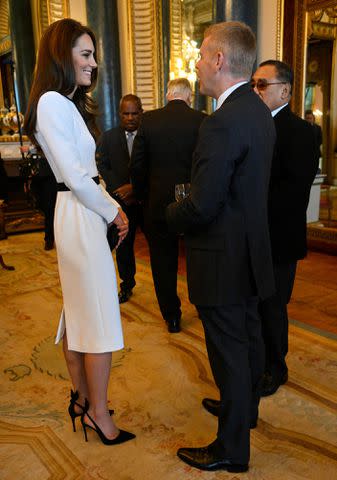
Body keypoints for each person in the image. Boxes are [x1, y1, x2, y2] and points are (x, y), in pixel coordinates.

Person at [166, 22, 276, 472]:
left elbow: (203, 205)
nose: (195, 64)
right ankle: (243, 411)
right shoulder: (258, 110)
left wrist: (169, 214)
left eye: (201, 54)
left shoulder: (222, 122)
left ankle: (231, 449)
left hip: (223, 259)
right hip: (251, 252)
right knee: (247, 342)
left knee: (229, 354)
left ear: (218, 60)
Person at [24, 18, 135, 445]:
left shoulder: (61, 103)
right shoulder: (53, 102)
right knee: (98, 318)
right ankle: (98, 413)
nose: (93, 63)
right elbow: (74, 173)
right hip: (78, 210)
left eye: (93, 55)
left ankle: (84, 401)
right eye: (85, 55)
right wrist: (114, 212)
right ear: (61, 57)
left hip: (79, 211)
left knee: (80, 313)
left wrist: (107, 208)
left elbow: (79, 174)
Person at [251, 60, 318, 396]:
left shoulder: (303, 132)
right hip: (250, 236)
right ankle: (260, 361)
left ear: (286, 91)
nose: (255, 90)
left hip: (279, 236)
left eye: (263, 84)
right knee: (254, 305)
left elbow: (293, 193)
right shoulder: (251, 125)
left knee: (273, 306)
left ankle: (276, 368)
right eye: (254, 84)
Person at [131, 78, 206, 333]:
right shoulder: (202, 120)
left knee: (163, 260)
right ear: (190, 96)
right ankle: (204, 307)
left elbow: (138, 165)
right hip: (194, 202)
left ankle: (172, 316)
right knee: (197, 256)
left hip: (158, 204)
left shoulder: (149, 120)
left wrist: (141, 196)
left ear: (167, 94)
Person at [96, 94, 143, 303]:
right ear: (120, 114)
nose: (130, 118)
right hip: (121, 203)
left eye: (134, 113)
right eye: (126, 113)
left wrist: (135, 187)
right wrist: (119, 189)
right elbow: (102, 166)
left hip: (146, 200)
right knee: (124, 246)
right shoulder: (108, 138)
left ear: (141, 113)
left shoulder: (150, 135)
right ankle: (127, 285)